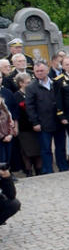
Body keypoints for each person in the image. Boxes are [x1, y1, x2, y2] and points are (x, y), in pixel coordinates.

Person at [27, 63, 66, 174]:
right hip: (43, 123)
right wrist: (35, 122)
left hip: (58, 120)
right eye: (37, 71)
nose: (39, 73)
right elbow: (30, 107)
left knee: (61, 147)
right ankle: (48, 170)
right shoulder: (31, 87)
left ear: (47, 70)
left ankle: (63, 167)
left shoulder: (56, 83)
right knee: (46, 149)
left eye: (41, 70)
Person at [0, 93, 18, 226]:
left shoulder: (3, 105)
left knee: (13, 204)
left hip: (7, 135)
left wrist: (6, 177)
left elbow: (11, 196)